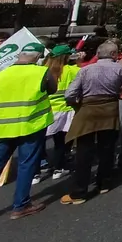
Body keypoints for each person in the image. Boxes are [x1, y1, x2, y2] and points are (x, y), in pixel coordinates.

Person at [0, 44, 57, 222]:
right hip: (31, 126)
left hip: (4, 128)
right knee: (26, 165)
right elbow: (52, 89)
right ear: (38, 57)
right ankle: (20, 206)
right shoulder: (41, 72)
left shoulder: (2, 73)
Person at [62, 41, 122, 204]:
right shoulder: (121, 69)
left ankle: (79, 192)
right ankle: (104, 183)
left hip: (88, 108)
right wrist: (121, 90)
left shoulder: (85, 70)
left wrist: (76, 104)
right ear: (114, 55)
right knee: (107, 147)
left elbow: (70, 94)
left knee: (84, 150)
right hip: (110, 107)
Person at [42, 45, 80, 181]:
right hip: (66, 110)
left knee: (40, 142)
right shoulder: (72, 70)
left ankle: (39, 169)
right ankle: (59, 168)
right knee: (62, 142)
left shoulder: (42, 70)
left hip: (47, 110)